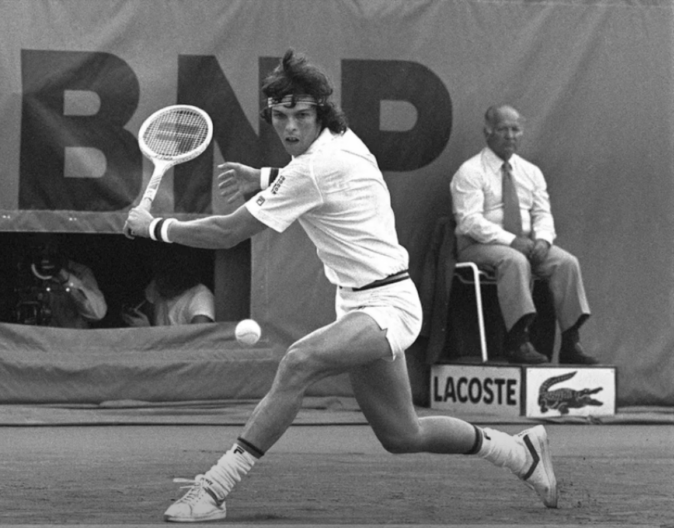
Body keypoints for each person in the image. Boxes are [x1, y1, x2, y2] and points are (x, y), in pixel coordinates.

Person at [125, 50, 558, 522]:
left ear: (321, 113)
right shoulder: (340, 142)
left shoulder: (312, 168)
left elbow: (229, 232)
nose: (291, 127)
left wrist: (154, 227)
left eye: (302, 115)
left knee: (298, 362)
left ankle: (215, 488)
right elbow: (326, 180)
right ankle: (519, 453)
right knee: (403, 435)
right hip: (359, 304)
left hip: (388, 305)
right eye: (281, 116)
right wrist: (264, 176)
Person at [450, 105, 596, 365]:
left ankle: (571, 342)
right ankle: (518, 340)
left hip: (526, 242)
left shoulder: (531, 172)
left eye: (515, 129)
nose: (510, 136)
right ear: (488, 132)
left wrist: (543, 241)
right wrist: (512, 241)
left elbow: (543, 214)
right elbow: (469, 221)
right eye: (503, 129)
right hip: (479, 245)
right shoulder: (470, 171)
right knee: (514, 260)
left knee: (566, 263)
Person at [18, 234, 107, 329]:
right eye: (39, 247)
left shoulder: (80, 272)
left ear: (57, 246)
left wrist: (64, 276)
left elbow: (98, 313)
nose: (45, 252)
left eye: (49, 246)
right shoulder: (28, 272)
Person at [122, 250, 215, 327]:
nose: (159, 284)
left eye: (166, 279)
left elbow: (200, 341)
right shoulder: (157, 285)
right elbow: (149, 315)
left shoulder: (201, 298)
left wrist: (146, 330)